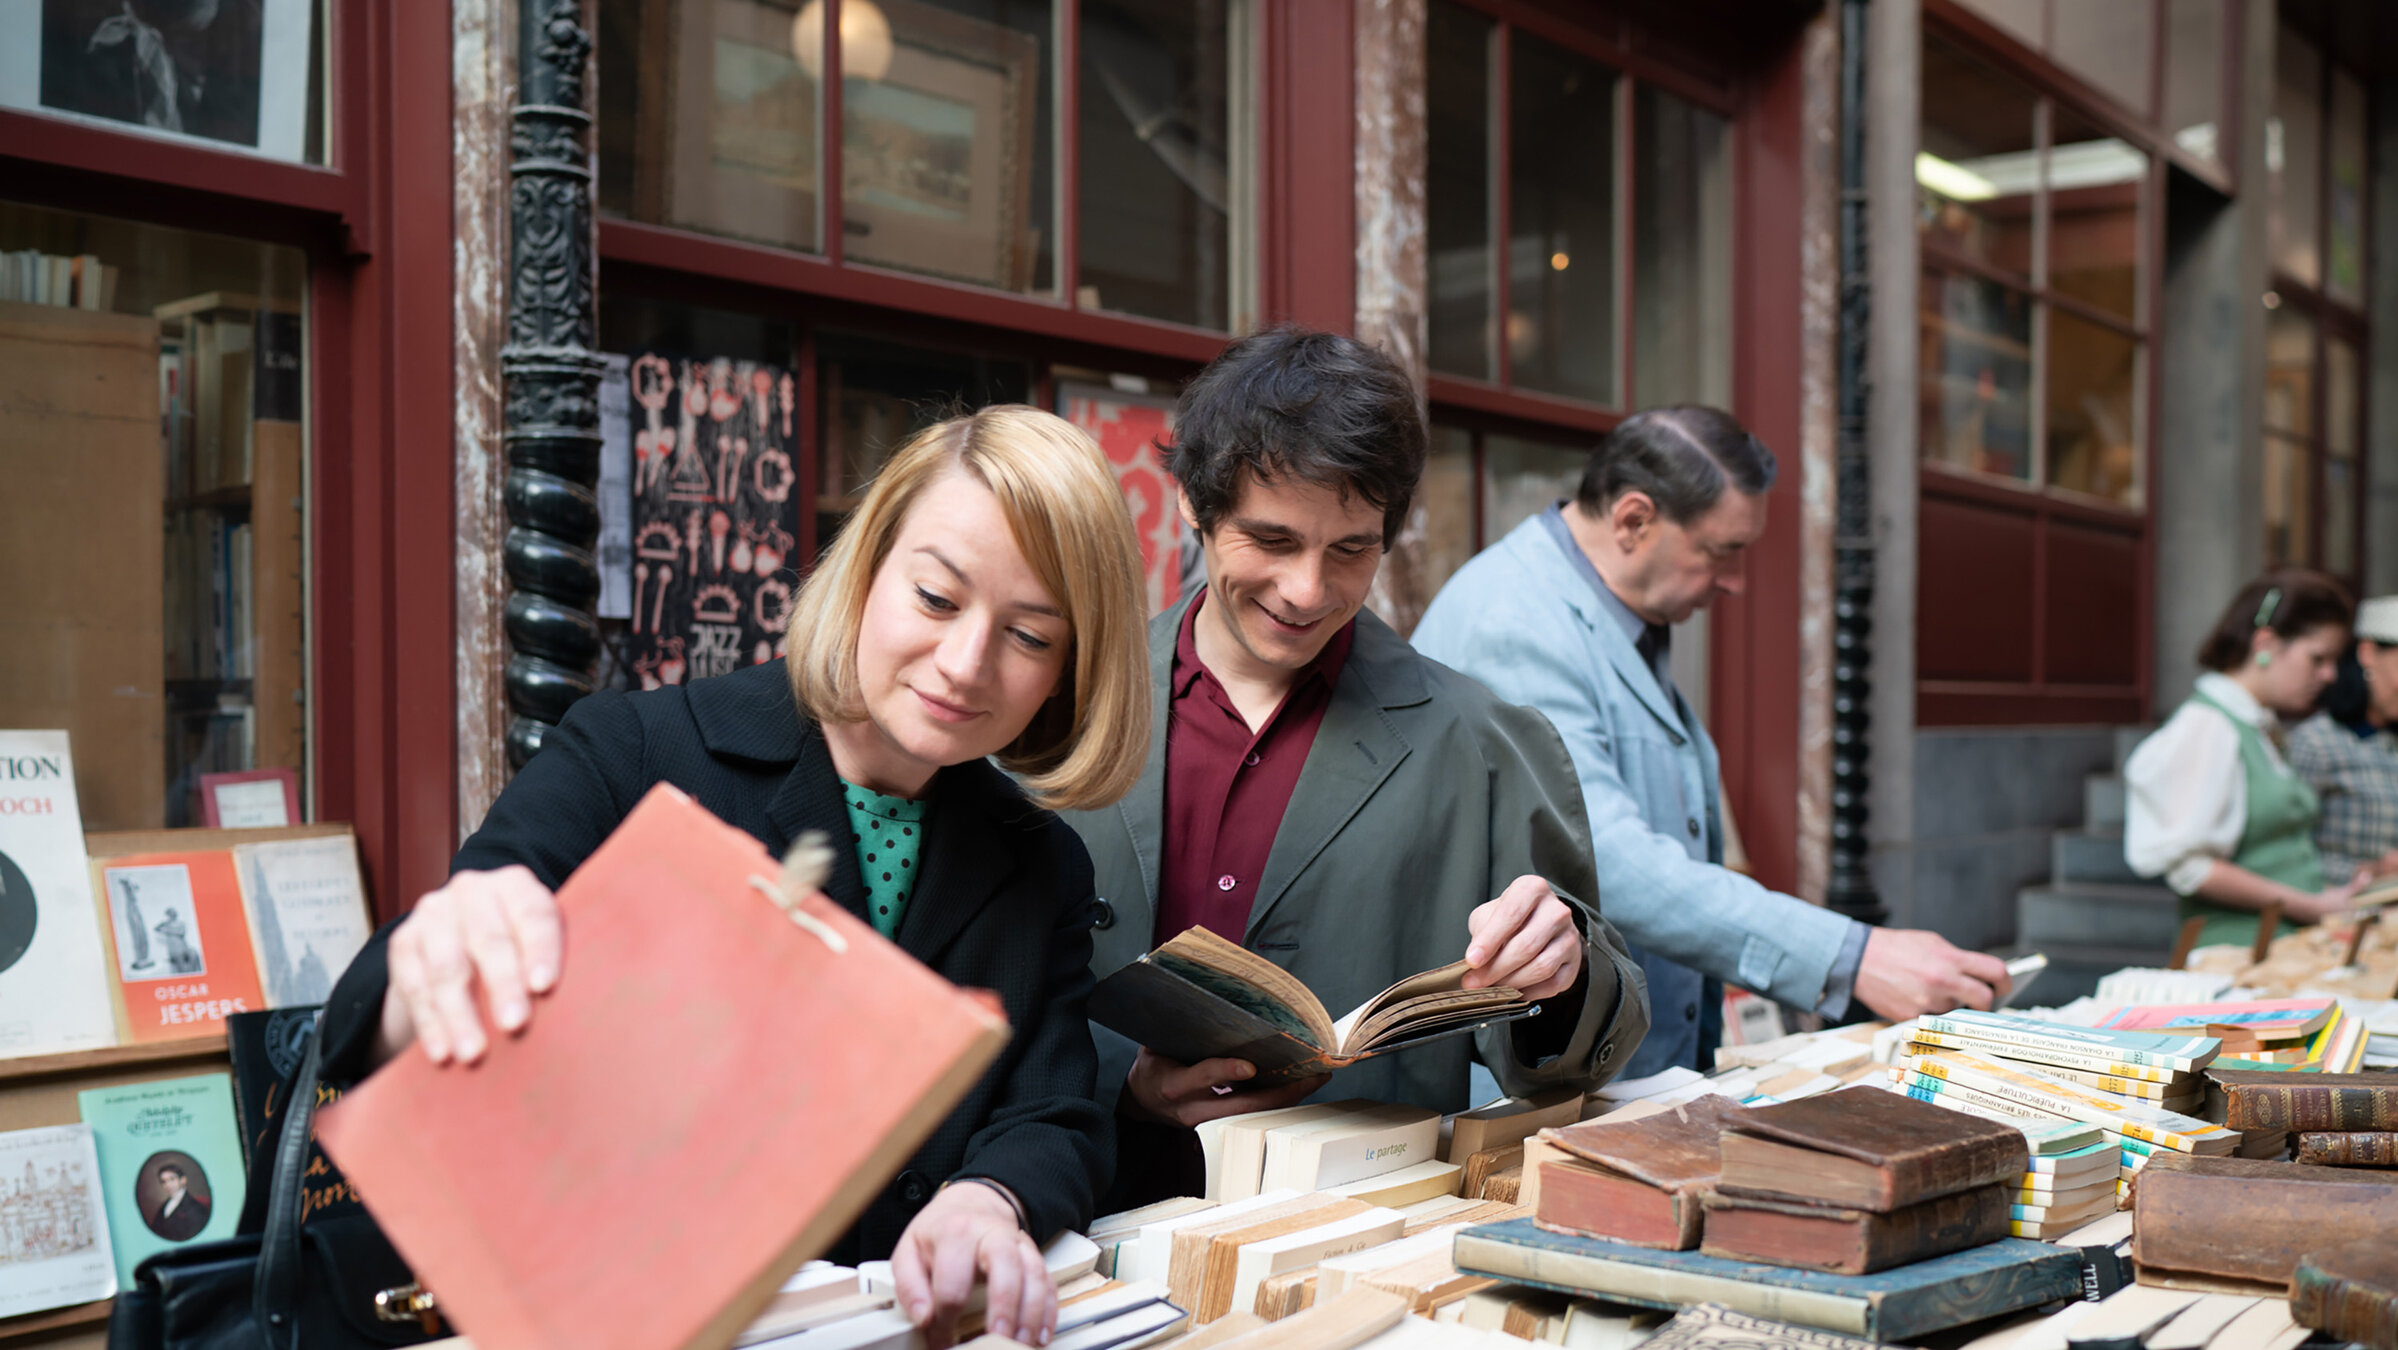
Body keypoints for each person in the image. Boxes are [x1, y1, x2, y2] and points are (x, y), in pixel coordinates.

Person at [316, 406, 1154, 1349]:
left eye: (1030, 637)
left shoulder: (1039, 858)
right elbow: (372, 1016)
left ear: (1069, 673)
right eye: (934, 598)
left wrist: (989, 1198)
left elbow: (1055, 1112)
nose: (965, 664)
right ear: (866, 568)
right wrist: (440, 957)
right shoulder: (633, 753)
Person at [1063, 327, 1648, 1197]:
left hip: (1353, 1231)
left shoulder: (1483, 743)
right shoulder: (1062, 709)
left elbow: (1577, 1056)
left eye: (1350, 550)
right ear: (1190, 500)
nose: (1307, 591)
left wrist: (1563, 970)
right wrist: (1122, 1081)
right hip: (1083, 1210)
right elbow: (978, 991)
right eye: (1271, 540)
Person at [1412, 406, 2010, 1079]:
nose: (1735, 581)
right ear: (1633, 520)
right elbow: (1608, 860)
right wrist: (1851, 958)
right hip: (1535, 1082)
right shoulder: (1512, 622)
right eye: (1720, 551)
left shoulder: (1599, 612)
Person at [2124, 570, 2364, 949]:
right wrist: (2311, 906)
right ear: (2265, 643)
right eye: (2317, 658)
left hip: (2280, 947)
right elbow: (2191, 868)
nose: (2329, 675)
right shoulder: (2208, 726)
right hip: (2234, 955)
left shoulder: (2257, 724)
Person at [2285, 595, 2398, 885]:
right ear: (2368, 653)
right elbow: (2283, 853)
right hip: (2336, 907)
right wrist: (2369, 871)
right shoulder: (2317, 743)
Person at [149, 1162, 210, 1241]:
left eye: (172, 1179)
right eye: (164, 1181)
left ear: (183, 1180)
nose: (167, 1185)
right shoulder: (165, 1206)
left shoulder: (197, 1208)